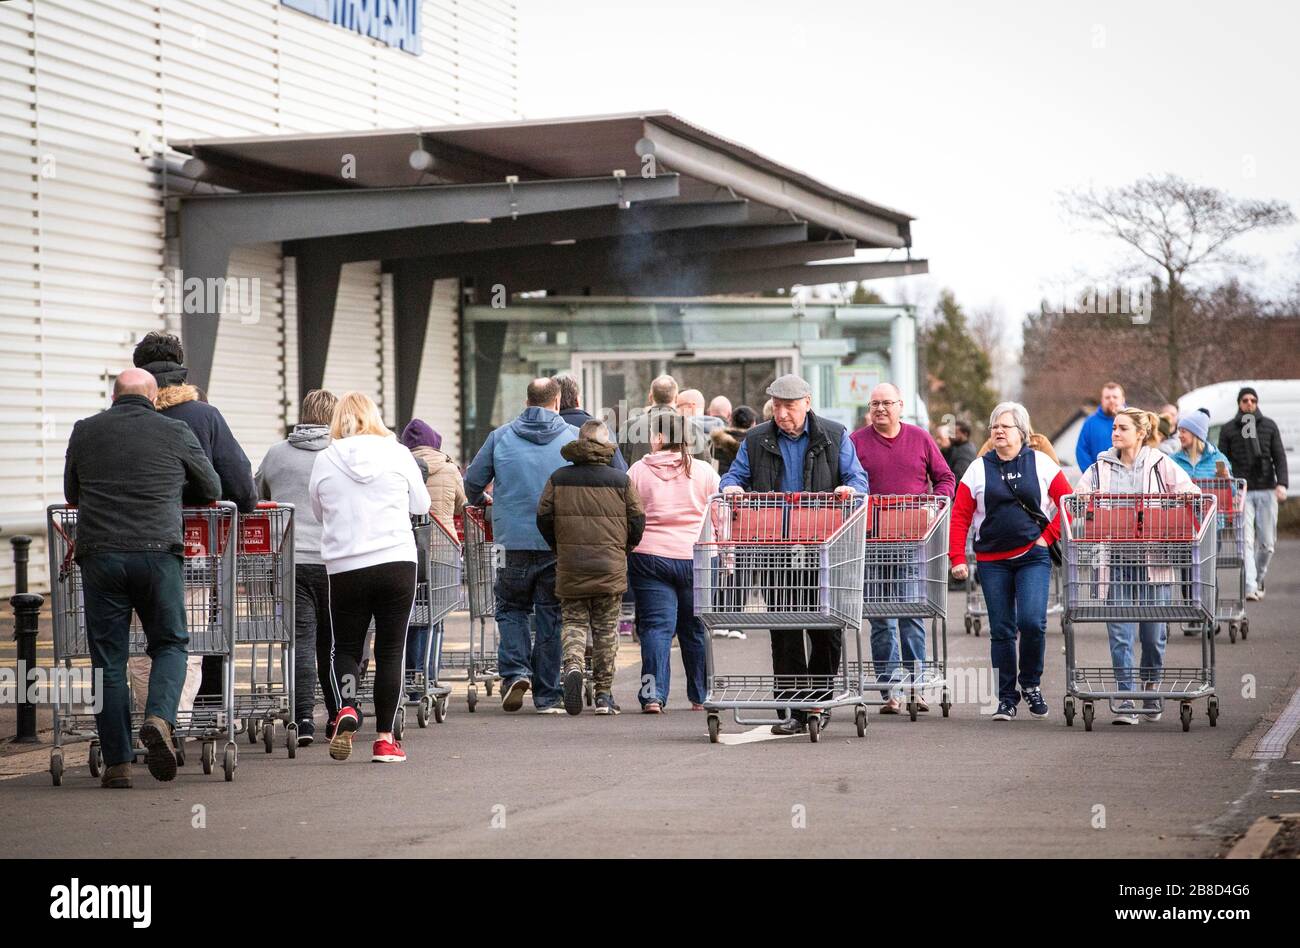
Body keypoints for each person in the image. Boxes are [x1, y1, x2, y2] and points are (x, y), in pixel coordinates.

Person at [63, 368, 221, 788]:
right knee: (169, 643)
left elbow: (72, 492)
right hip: (157, 555)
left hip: (100, 557)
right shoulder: (174, 430)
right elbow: (211, 485)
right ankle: (159, 718)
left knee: (108, 659)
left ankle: (117, 764)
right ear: (153, 397)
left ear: (114, 397)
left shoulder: (85, 431)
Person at [719, 374, 869, 735]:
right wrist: (734, 488)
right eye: (777, 406)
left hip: (824, 548)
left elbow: (858, 478)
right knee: (785, 627)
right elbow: (733, 477)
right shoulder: (756, 439)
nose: (782, 413)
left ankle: (820, 700)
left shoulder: (835, 435)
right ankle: (793, 709)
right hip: (775, 547)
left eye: (789, 406)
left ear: (807, 402)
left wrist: (849, 488)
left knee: (826, 626)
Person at [132, 332, 257, 727]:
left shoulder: (121, 417)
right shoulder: (204, 416)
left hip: (130, 547)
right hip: (193, 550)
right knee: (188, 642)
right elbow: (240, 486)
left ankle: (144, 722)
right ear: (182, 367)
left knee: (138, 647)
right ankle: (172, 724)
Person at [309, 392, 431, 763]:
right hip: (396, 561)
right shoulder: (398, 453)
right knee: (390, 650)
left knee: (345, 647)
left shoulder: (325, 458)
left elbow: (318, 511)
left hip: (345, 566)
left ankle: (346, 706)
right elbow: (422, 505)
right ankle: (384, 739)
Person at [949, 402, 1071, 722]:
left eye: (1006, 426)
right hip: (992, 560)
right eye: (994, 427)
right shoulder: (978, 468)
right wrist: (957, 558)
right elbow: (960, 516)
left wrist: (1049, 536)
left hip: (1033, 555)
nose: (999, 431)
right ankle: (1006, 697)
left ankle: (1030, 683)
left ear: (1022, 432)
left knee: (1032, 622)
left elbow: (1069, 503)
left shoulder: (1041, 463)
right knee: (1002, 629)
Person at [1076, 408, 1198, 724]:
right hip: (1115, 561)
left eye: (1122, 428)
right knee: (1120, 633)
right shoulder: (1100, 468)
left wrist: (1184, 500)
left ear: (1140, 433)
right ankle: (1127, 698)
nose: (1115, 432)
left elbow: (1190, 492)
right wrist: (1080, 502)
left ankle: (1150, 685)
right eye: (1114, 427)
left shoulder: (1160, 465)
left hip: (1152, 562)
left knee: (1154, 635)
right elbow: (1078, 498)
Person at [464, 377, 579, 713]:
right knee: (550, 614)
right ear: (557, 401)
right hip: (557, 541)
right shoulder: (571, 439)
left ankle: (515, 672)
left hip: (508, 541)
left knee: (511, 608)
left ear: (527, 400)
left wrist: (483, 500)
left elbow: (472, 480)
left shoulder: (500, 437)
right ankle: (547, 695)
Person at [849, 382, 956, 713]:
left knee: (912, 613)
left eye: (887, 403)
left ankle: (917, 686)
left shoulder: (920, 438)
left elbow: (945, 479)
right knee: (881, 620)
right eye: (875, 404)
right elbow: (846, 477)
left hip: (912, 542)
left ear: (900, 405)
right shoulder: (856, 441)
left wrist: (935, 505)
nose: (880, 409)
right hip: (872, 542)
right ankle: (890, 691)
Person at [537, 420, 645, 715]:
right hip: (610, 565)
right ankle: (603, 696)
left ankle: (572, 665)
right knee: (606, 630)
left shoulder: (559, 478)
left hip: (571, 564)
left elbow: (543, 517)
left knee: (573, 622)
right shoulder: (621, 480)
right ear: (605, 444)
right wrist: (624, 548)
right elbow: (637, 520)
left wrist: (559, 546)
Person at [255, 388, 337, 747]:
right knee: (334, 643)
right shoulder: (341, 454)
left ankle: (303, 718)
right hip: (335, 561)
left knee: (301, 641)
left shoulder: (276, 454)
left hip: (290, 562)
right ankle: (338, 714)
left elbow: (256, 495)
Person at [627, 411, 720, 712]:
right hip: (697, 556)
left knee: (656, 629)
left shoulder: (638, 472)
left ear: (657, 438)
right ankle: (700, 694)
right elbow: (720, 516)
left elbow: (628, 515)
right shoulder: (705, 472)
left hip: (650, 557)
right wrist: (726, 556)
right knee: (694, 629)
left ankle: (653, 695)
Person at [399, 418, 467, 700]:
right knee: (435, 617)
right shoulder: (450, 468)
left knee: (408, 616)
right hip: (441, 550)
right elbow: (462, 504)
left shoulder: (399, 466)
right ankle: (428, 677)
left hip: (406, 549)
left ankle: (408, 679)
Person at [1218, 387, 1288, 601]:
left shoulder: (1268, 426)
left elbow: (1279, 456)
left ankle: (1258, 577)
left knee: (1267, 544)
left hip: (1266, 488)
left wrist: (1282, 483)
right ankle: (1250, 586)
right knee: (1245, 542)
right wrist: (1227, 486)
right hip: (1243, 491)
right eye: (1245, 400)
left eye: (1253, 400)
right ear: (1239, 402)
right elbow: (1223, 460)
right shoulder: (1229, 429)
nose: (1249, 404)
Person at [556, 374, 627, 471]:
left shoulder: (545, 427)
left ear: (555, 401)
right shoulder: (599, 427)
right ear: (577, 400)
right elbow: (620, 469)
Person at [621, 375, 681, 467]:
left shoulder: (630, 426)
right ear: (676, 398)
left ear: (650, 397)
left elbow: (621, 463)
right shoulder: (692, 427)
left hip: (639, 480)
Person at [1074, 381, 1126, 471]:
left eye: (1115, 397)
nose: (1111, 400)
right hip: (1100, 479)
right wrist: (1093, 474)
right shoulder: (1090, 422)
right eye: (1107, 397)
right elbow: (1082, 451)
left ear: (1123, 399)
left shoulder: (1133, 421)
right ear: (1102, 400)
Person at [1170, 411, 1232, 480]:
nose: (1179, 436)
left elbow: (1233, 489)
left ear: (1196, 435)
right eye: (1179, 431)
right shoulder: (1173, 460)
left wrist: (1226, 479)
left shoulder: (1218, 458)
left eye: (1183, 431)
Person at [710, 405, 757, 480]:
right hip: (749, 490)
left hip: (720, 487)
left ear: (730, 420)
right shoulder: (756, 445)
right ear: (753, 423)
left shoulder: (716, 442)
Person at [675, 387, 721, 459]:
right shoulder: (723, 432)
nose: (675, 411)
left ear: (691, 406)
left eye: (677, 406)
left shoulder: (685, 433)